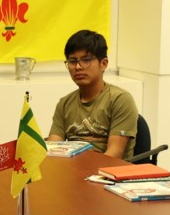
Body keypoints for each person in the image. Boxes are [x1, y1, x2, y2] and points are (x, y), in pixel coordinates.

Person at [46, 30, 138, 159]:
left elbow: (114, 154)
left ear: (103, 64)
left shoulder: (120, 99)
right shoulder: (64, 103)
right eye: (72, 61)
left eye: (86, 60)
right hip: (73, 172)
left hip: (108, 174)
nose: (78, 67)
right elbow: (53, 148)